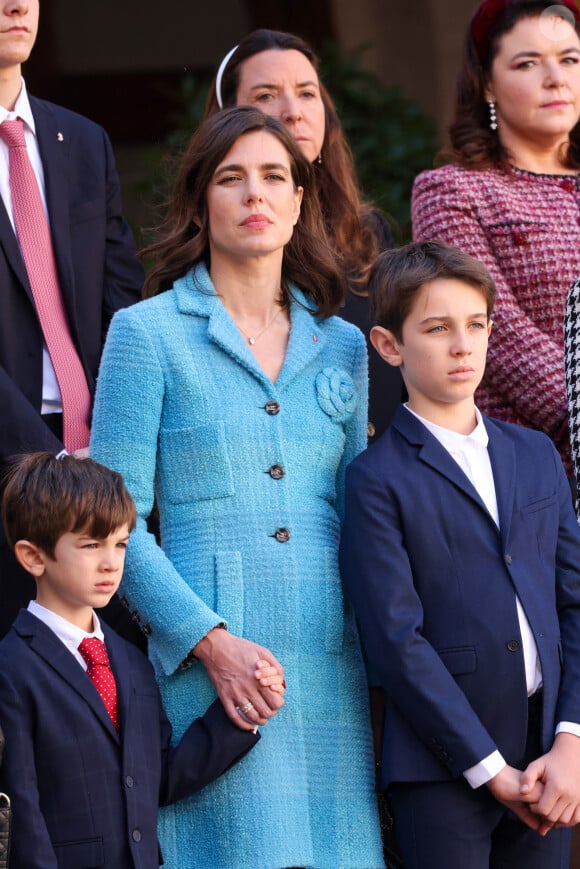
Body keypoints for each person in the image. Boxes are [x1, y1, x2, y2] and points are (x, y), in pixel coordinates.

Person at [90, 105, 385, 869]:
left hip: (331, 676)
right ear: (200, 202)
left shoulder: (345, 346)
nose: (255, 194)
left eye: (273, 177)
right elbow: (113, 522)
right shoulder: (145, 332)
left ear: (298, 202)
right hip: (211, 681)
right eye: (231, 178)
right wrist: (210, 644)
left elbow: (361, 517)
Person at [340, 240, 580, 869]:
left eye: (475, 325)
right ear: (390, 346)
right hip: (441, 766)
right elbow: (396, 640)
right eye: (437, 328)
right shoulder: (376, 478)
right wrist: (489, 769)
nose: (461, 346)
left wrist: (571, 740)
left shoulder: (534, 455)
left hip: (548, 758)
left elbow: (573, 603)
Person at [0, 452, 269, 869]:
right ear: (34, 556)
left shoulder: (130, 660)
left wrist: (243, 712)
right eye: (91, 544)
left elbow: (154, 778)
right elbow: (21, 810)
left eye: (121, 543)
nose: (111, 562)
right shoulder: (11, 668)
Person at [0, 0, 144, 640]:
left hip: (102, 455)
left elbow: (122, 302)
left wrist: (117, 438)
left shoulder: (83, 140)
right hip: (16, 461)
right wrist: (47, 461)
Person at [205, 28, 405, 443]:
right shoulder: (222, 240)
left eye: (307, 92)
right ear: (228, 118)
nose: (293, 111)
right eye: (266, 95)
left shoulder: (366, 233)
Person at [411, 0, 580, 474]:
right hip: (523, 469)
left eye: (570, 59)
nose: (555, 77)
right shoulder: (451, 191)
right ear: (487, 82)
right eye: (528, 62)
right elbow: (496, 332)